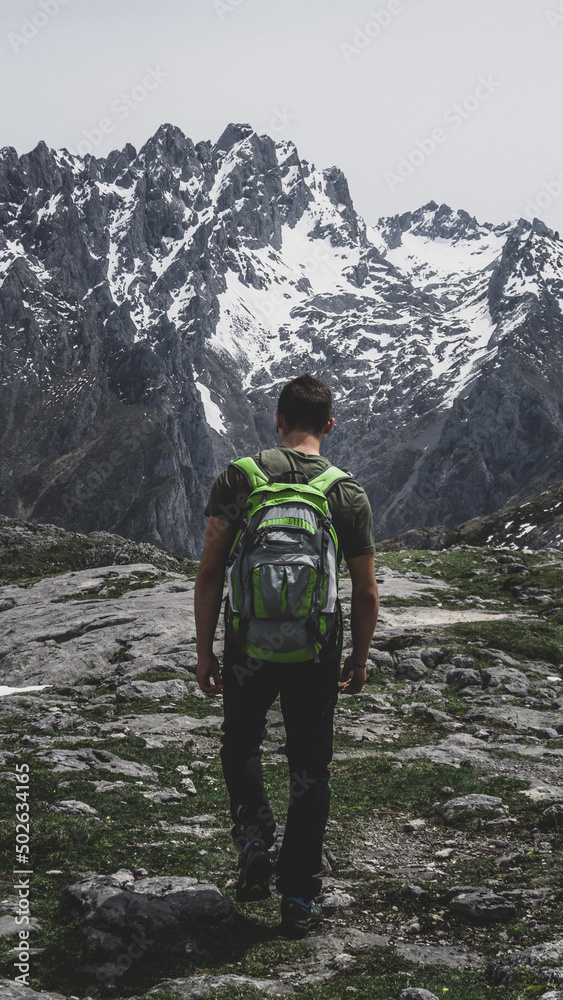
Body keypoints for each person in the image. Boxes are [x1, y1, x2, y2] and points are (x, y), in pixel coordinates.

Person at [195, 373, 379, 934]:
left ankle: (253, 837)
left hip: (249, 642)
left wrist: (205, 652)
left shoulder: (240, 477)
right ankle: (298, 897)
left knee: (240, 745)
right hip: (316, 647)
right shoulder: (345, 491)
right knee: (310, 769)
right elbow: (366, 591)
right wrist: (360, 657)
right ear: (328, 425)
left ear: (277, 420)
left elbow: (209, 573)